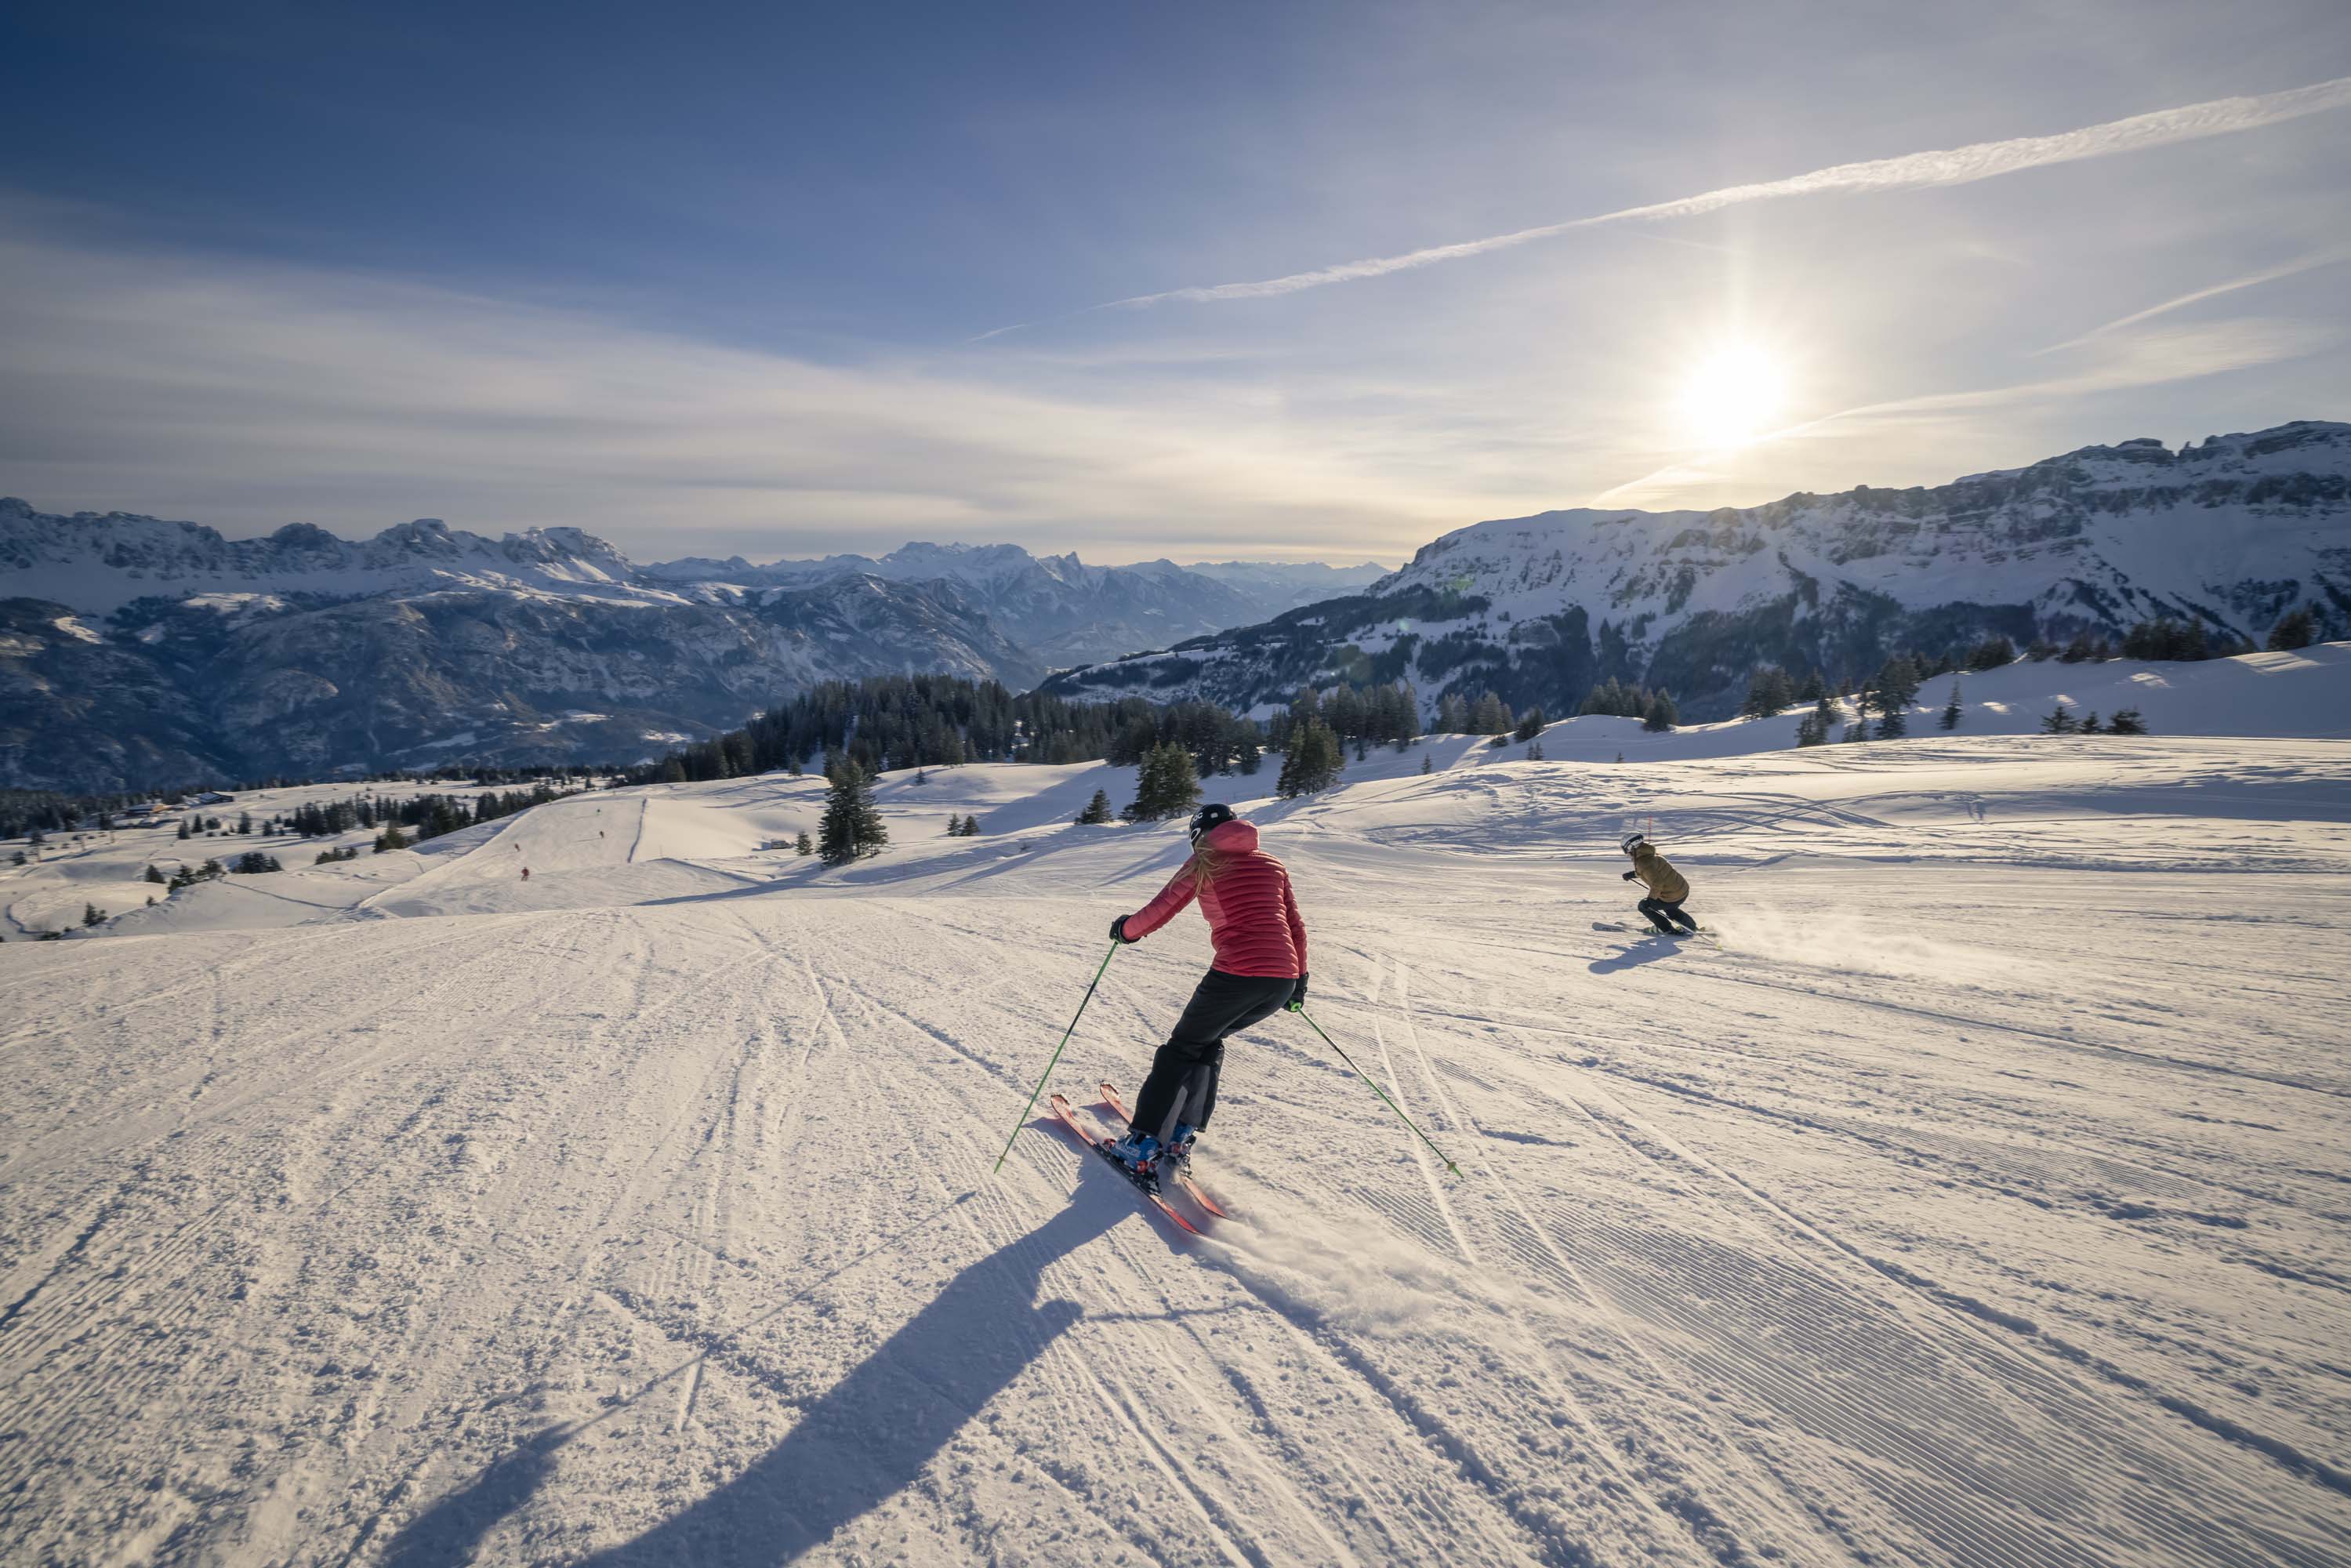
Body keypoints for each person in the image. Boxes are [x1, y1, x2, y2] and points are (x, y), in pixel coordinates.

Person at [1101, 804, 1307, 1188]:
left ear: (1198, 836)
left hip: (1238, 972)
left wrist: (1126, 931)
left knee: (1180, 1049)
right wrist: (1300, 982)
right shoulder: (1272, 864)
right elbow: (1294, 924)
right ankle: (1179, 1135)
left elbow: (1162, 908)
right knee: (1208, 1042)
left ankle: (1142, 1143)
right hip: (1282, 979)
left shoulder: (1204, 863)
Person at [1620, 831, 1698, 935]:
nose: (1627, 853)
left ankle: (1664, 928)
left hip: (1671, 895)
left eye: (1626, 849)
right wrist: (1632, 875)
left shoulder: (1642, 862)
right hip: (1682, 890)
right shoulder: (1652, 855)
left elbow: (1657, 883)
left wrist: (1651, 900)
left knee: (1644, 906)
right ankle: (1691, 927)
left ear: (1631, 847)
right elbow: (1651, 872)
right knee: (1670, 909)